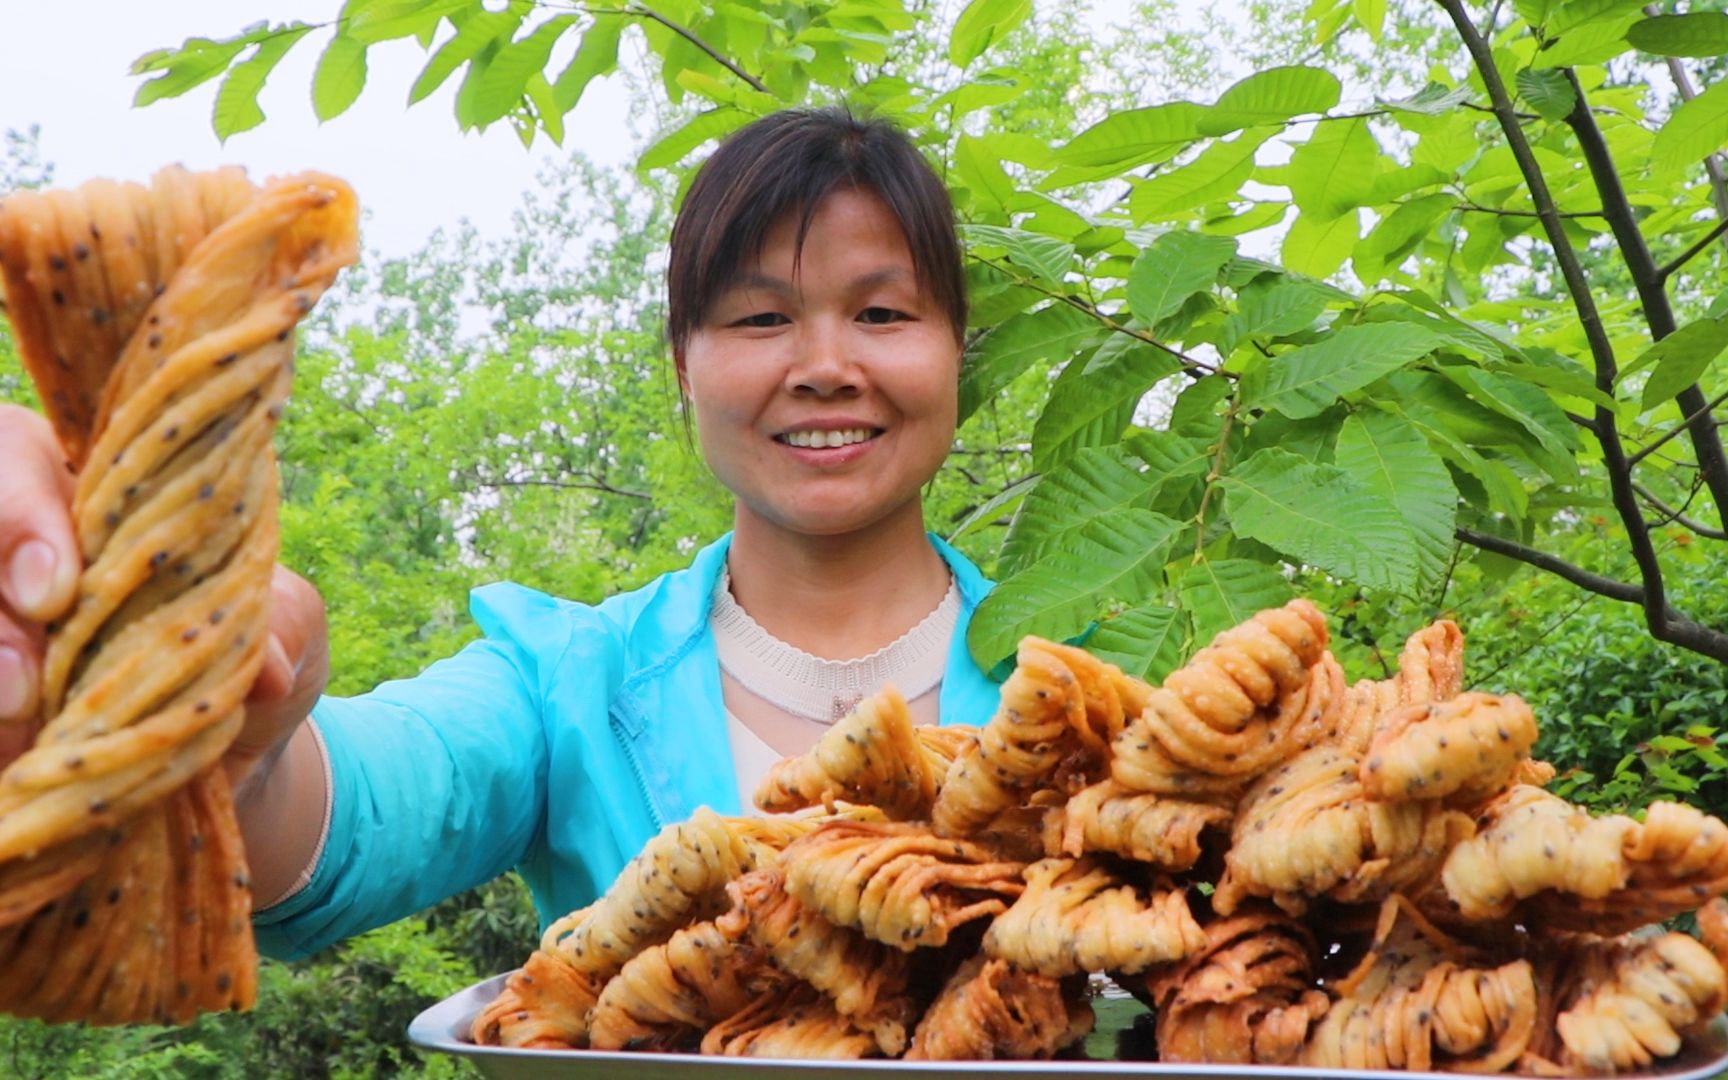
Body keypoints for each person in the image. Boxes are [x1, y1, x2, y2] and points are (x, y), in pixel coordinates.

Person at [0, 107, 1006, 961]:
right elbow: (369, 795)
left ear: (956, 350)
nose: (825, 364)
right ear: (685, 367)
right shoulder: (566, 685)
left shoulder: (1096, 686)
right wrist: (223, 728)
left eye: (881, 312)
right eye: (758, 319)